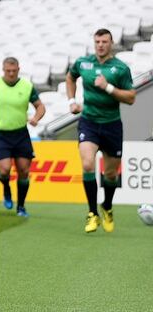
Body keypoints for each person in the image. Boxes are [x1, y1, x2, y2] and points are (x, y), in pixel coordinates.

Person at [66, 29, 135, 233]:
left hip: (112, 124)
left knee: (111, 173)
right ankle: (92, 213)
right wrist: (71, 101)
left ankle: (107, 206)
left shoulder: (120, 68)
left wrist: (108, 88)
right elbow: (70, 78)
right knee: (87, 164)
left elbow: (131, 98)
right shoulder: (83, 63)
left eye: (104, 41)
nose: (100, 45)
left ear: (111, 43)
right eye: (97, 41)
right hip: (89, 122)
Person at [0, 57, 45, 218]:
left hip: (20, 133)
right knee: (4, 169)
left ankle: (21, 206)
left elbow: (40, 106)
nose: (10, 73)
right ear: (3, 69)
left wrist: (36, 118)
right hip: (0, 133)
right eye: (7, 70)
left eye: (13, 71)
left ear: (18, 69)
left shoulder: (26, 86)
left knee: (23, 170)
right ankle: (6, 189)